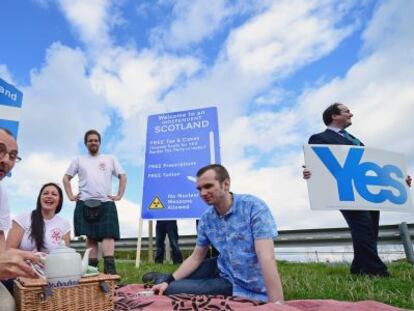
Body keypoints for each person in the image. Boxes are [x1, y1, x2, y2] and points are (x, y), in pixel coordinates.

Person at [145, 164, 284, 303]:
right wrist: (169, 280)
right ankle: (164, 278)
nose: (202, 193)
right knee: (172, 280)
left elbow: (266, 257)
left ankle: (163, 279)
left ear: (226, 184)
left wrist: (277, 304)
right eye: (199, 189)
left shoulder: (254, 207)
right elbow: (196, 257)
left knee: (172, 289)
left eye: (208, 186)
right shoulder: (206, 218)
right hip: (221, 265)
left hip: (237, 282)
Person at [303, 103, 412, 277]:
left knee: (370, 229)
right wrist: (311, 172)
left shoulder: (357, 141)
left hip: (366, 191)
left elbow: (373, 165)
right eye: (347, 111)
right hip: (347, 191)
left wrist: (400, 179)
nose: (351, 114)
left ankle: (360, 268)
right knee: (362, 226)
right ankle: (376, 270)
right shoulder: (320, 138)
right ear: (334, 116)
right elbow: (318, 165)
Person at [62, 129, 127, 274]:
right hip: (85, 202)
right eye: (90, 140)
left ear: (99, 143)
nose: (93, 142)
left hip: (105, 202)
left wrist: (119, 195)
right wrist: (71, 196)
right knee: (90, 237)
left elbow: (123, 176)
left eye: (96, 140)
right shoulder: (79, 159)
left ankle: (110, 271)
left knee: (108, 235)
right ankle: (92, 271)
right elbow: (66, 178)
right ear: (86, 143)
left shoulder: (110, 158)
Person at [0, 128, 41, 311]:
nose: (6, 160)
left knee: (7, 305)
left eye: (13, 155)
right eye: (0, 150)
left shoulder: (1, 194)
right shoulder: (24, 218)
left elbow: (1, 252)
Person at [6, 183, 71, 252]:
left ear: (59, 201)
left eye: (54, 194)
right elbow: (8, 251)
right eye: (45, 193)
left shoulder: (64, 224)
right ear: (39, 198)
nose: (49, 196)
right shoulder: (21, 219)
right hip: (23, 262)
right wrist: (30, 256)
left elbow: (65, 254)